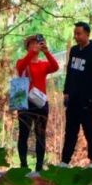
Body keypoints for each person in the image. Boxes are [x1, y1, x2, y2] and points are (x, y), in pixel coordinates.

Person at [60, 21, 92, 165]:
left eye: (79, 34)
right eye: (75, 34)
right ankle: (65, 161)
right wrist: (66, 92)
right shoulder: (73, 50)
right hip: (72, 99)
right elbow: (69, 73)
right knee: (70, 131)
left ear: (87, 34)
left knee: (89, 131)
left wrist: (90, 99)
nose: (76, 36)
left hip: (86, 101)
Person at [15, 33, 59, 172]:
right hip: (25, 102)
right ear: (28, 47)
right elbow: (20, 67)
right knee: (24, 134)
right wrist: (31, 54)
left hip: (41, 103)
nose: (35, 46)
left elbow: (55, 67)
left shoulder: (43, 64)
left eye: (37, 43)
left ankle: (39, 166)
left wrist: (46, 52)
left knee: (40, 134)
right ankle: (23, 165)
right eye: (32, 44)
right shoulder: (21, 61)